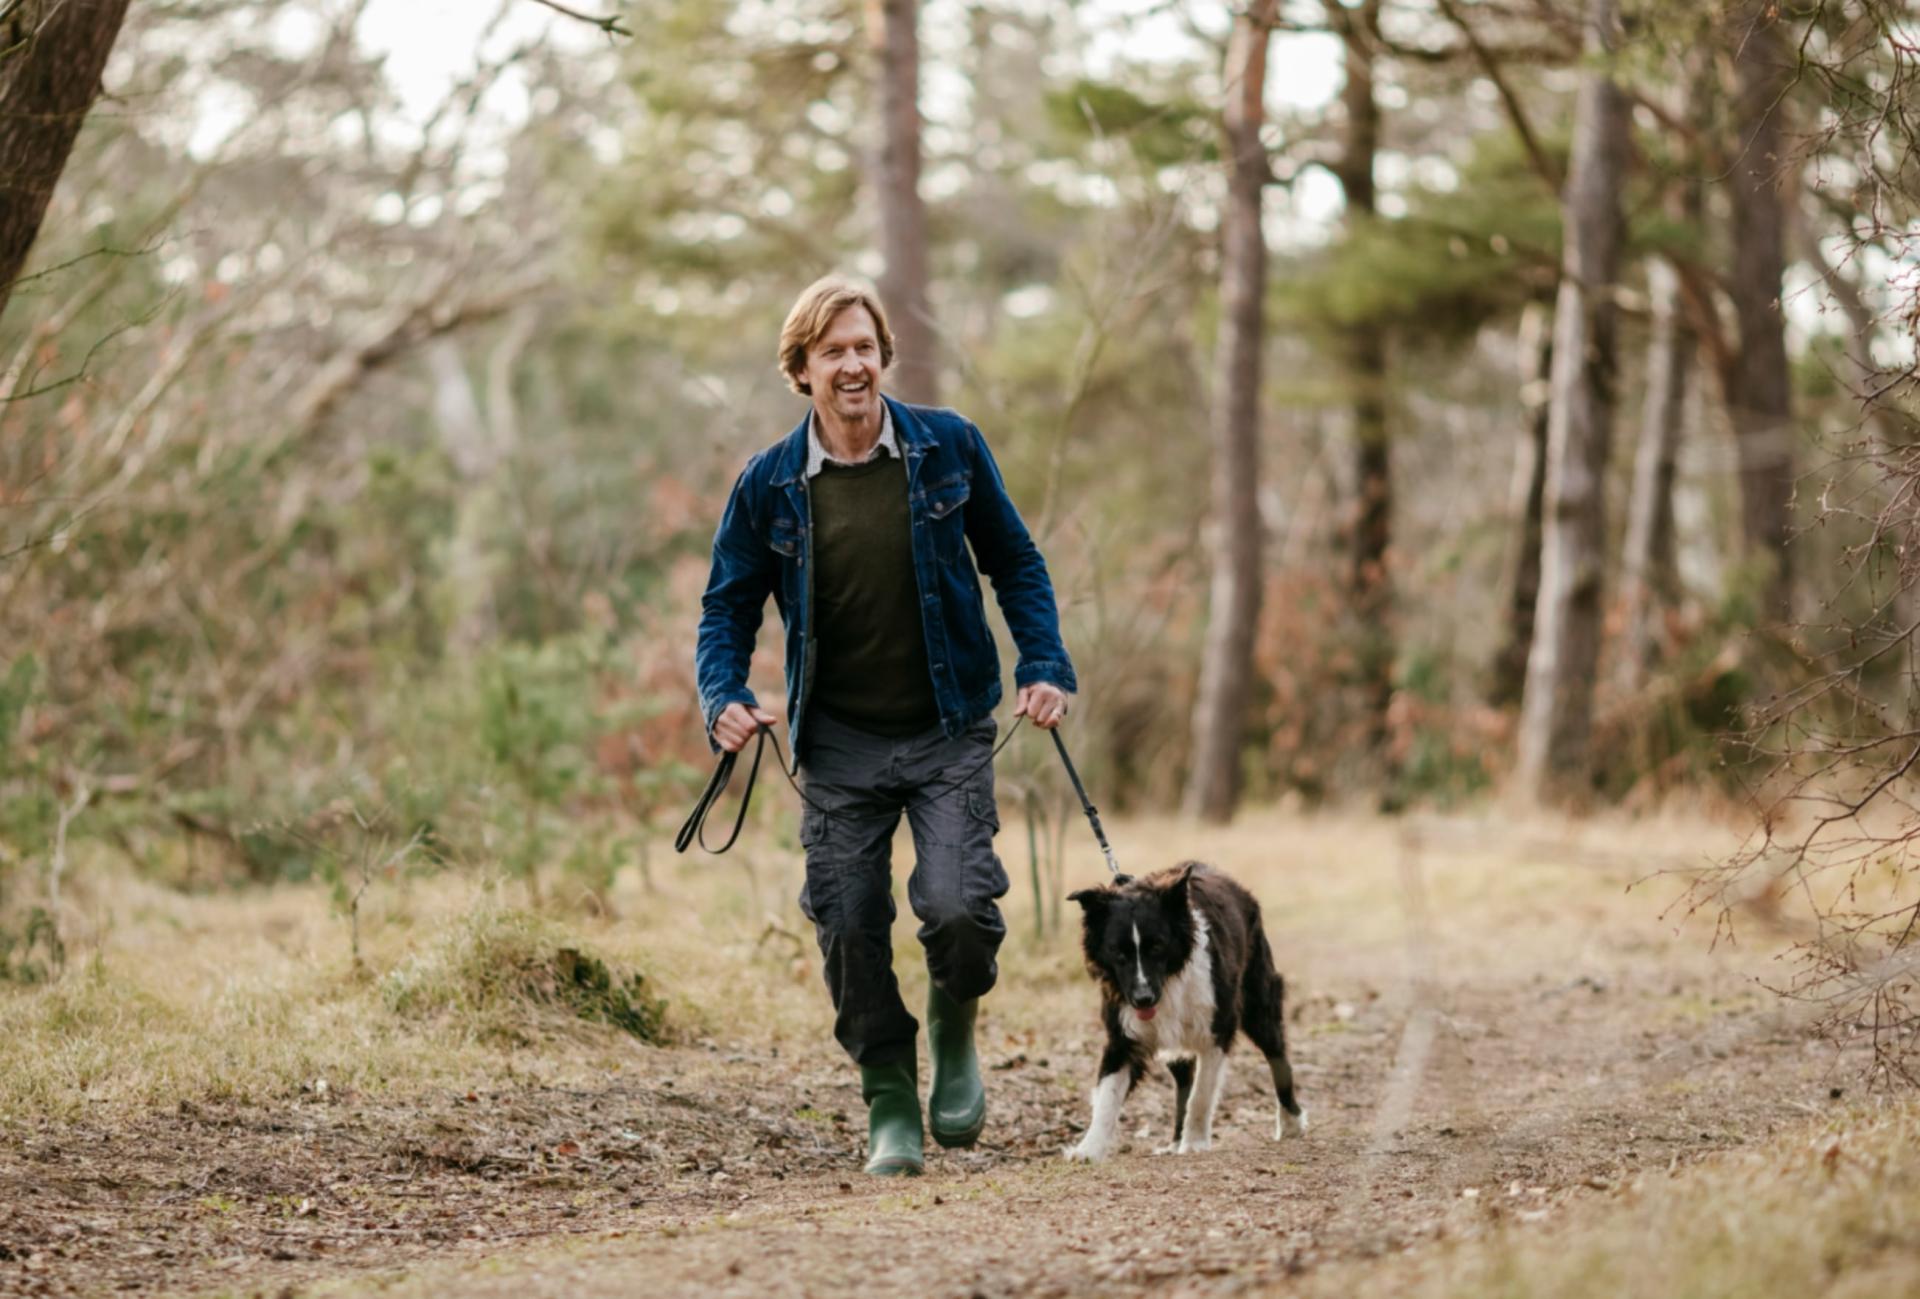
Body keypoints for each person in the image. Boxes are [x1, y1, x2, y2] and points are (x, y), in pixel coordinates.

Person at [695, 274, 1076, 1176]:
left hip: (947, 728)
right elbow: (725, 607)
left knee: (956, 907)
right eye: (833, 351)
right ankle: (889, 1100)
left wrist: (1045, 664)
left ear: (883, 357)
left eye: (865, 346)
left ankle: (954, 1027)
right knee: (848, 920)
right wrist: (724, 695)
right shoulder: (768, 484)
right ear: (803, 370)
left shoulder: (949, 447)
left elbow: (1016, 562)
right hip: (838, 745)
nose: (854, 364)